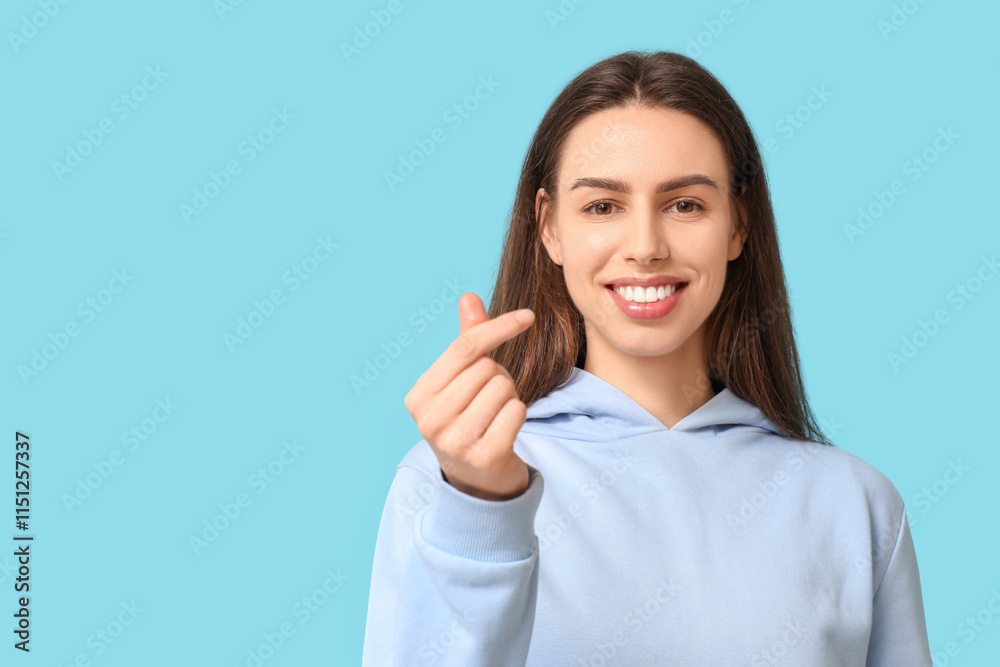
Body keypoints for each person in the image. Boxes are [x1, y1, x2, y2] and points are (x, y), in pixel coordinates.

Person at [361, 50, 932, 665]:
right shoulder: (448, 481)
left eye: (685, 204)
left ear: (739, 223)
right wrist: (482, 514)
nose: (645, 248)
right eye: (603, 206)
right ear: (549, 227)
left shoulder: (856, 504)